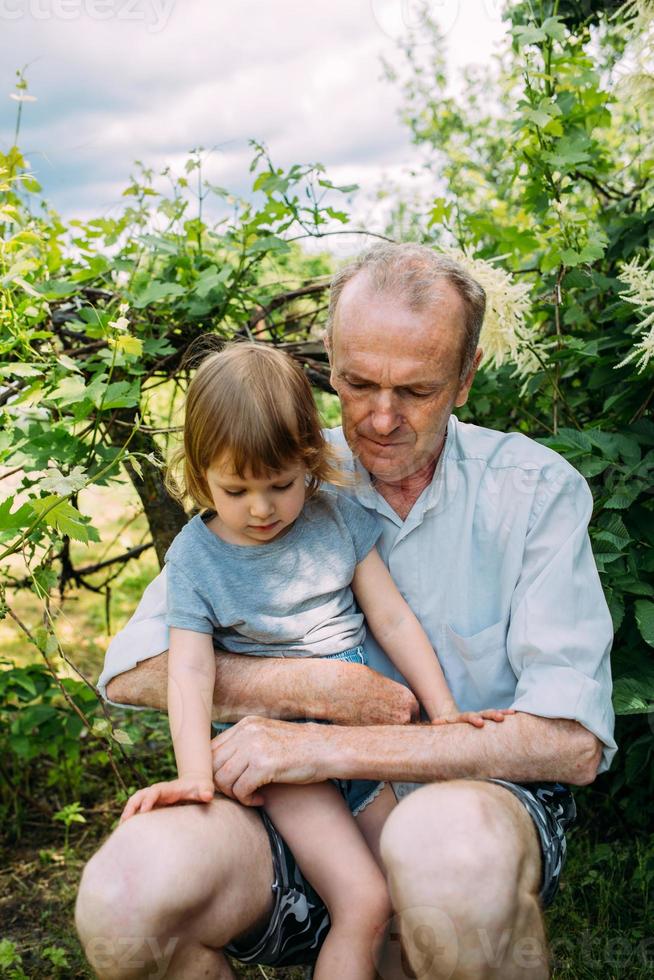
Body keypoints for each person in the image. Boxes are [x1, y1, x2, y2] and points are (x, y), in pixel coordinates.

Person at [76, 243, 616, 980]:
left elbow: (571, 742)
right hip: (301, 813)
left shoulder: (532, 494)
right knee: (124, 898)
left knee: (444, 847)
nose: (382, 419)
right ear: (328, 357)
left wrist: (329, 746)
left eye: (417, 391)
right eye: (358, 383)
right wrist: (307, 690)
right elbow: (132, 671)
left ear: (466, 378)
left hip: (476, 808)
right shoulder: (280, 475)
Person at [118, 342, 508, 980]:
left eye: (280, 484)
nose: (262, 509)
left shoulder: (334, 516)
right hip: (281, 761)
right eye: (235, 489)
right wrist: (194, 774)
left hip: (358, 747)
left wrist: (443, 712)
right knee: (364, 900)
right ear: (199, 476)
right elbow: (191, 672)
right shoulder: (196, 558)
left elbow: (391, 617)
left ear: (310, 463)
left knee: (413, 892)